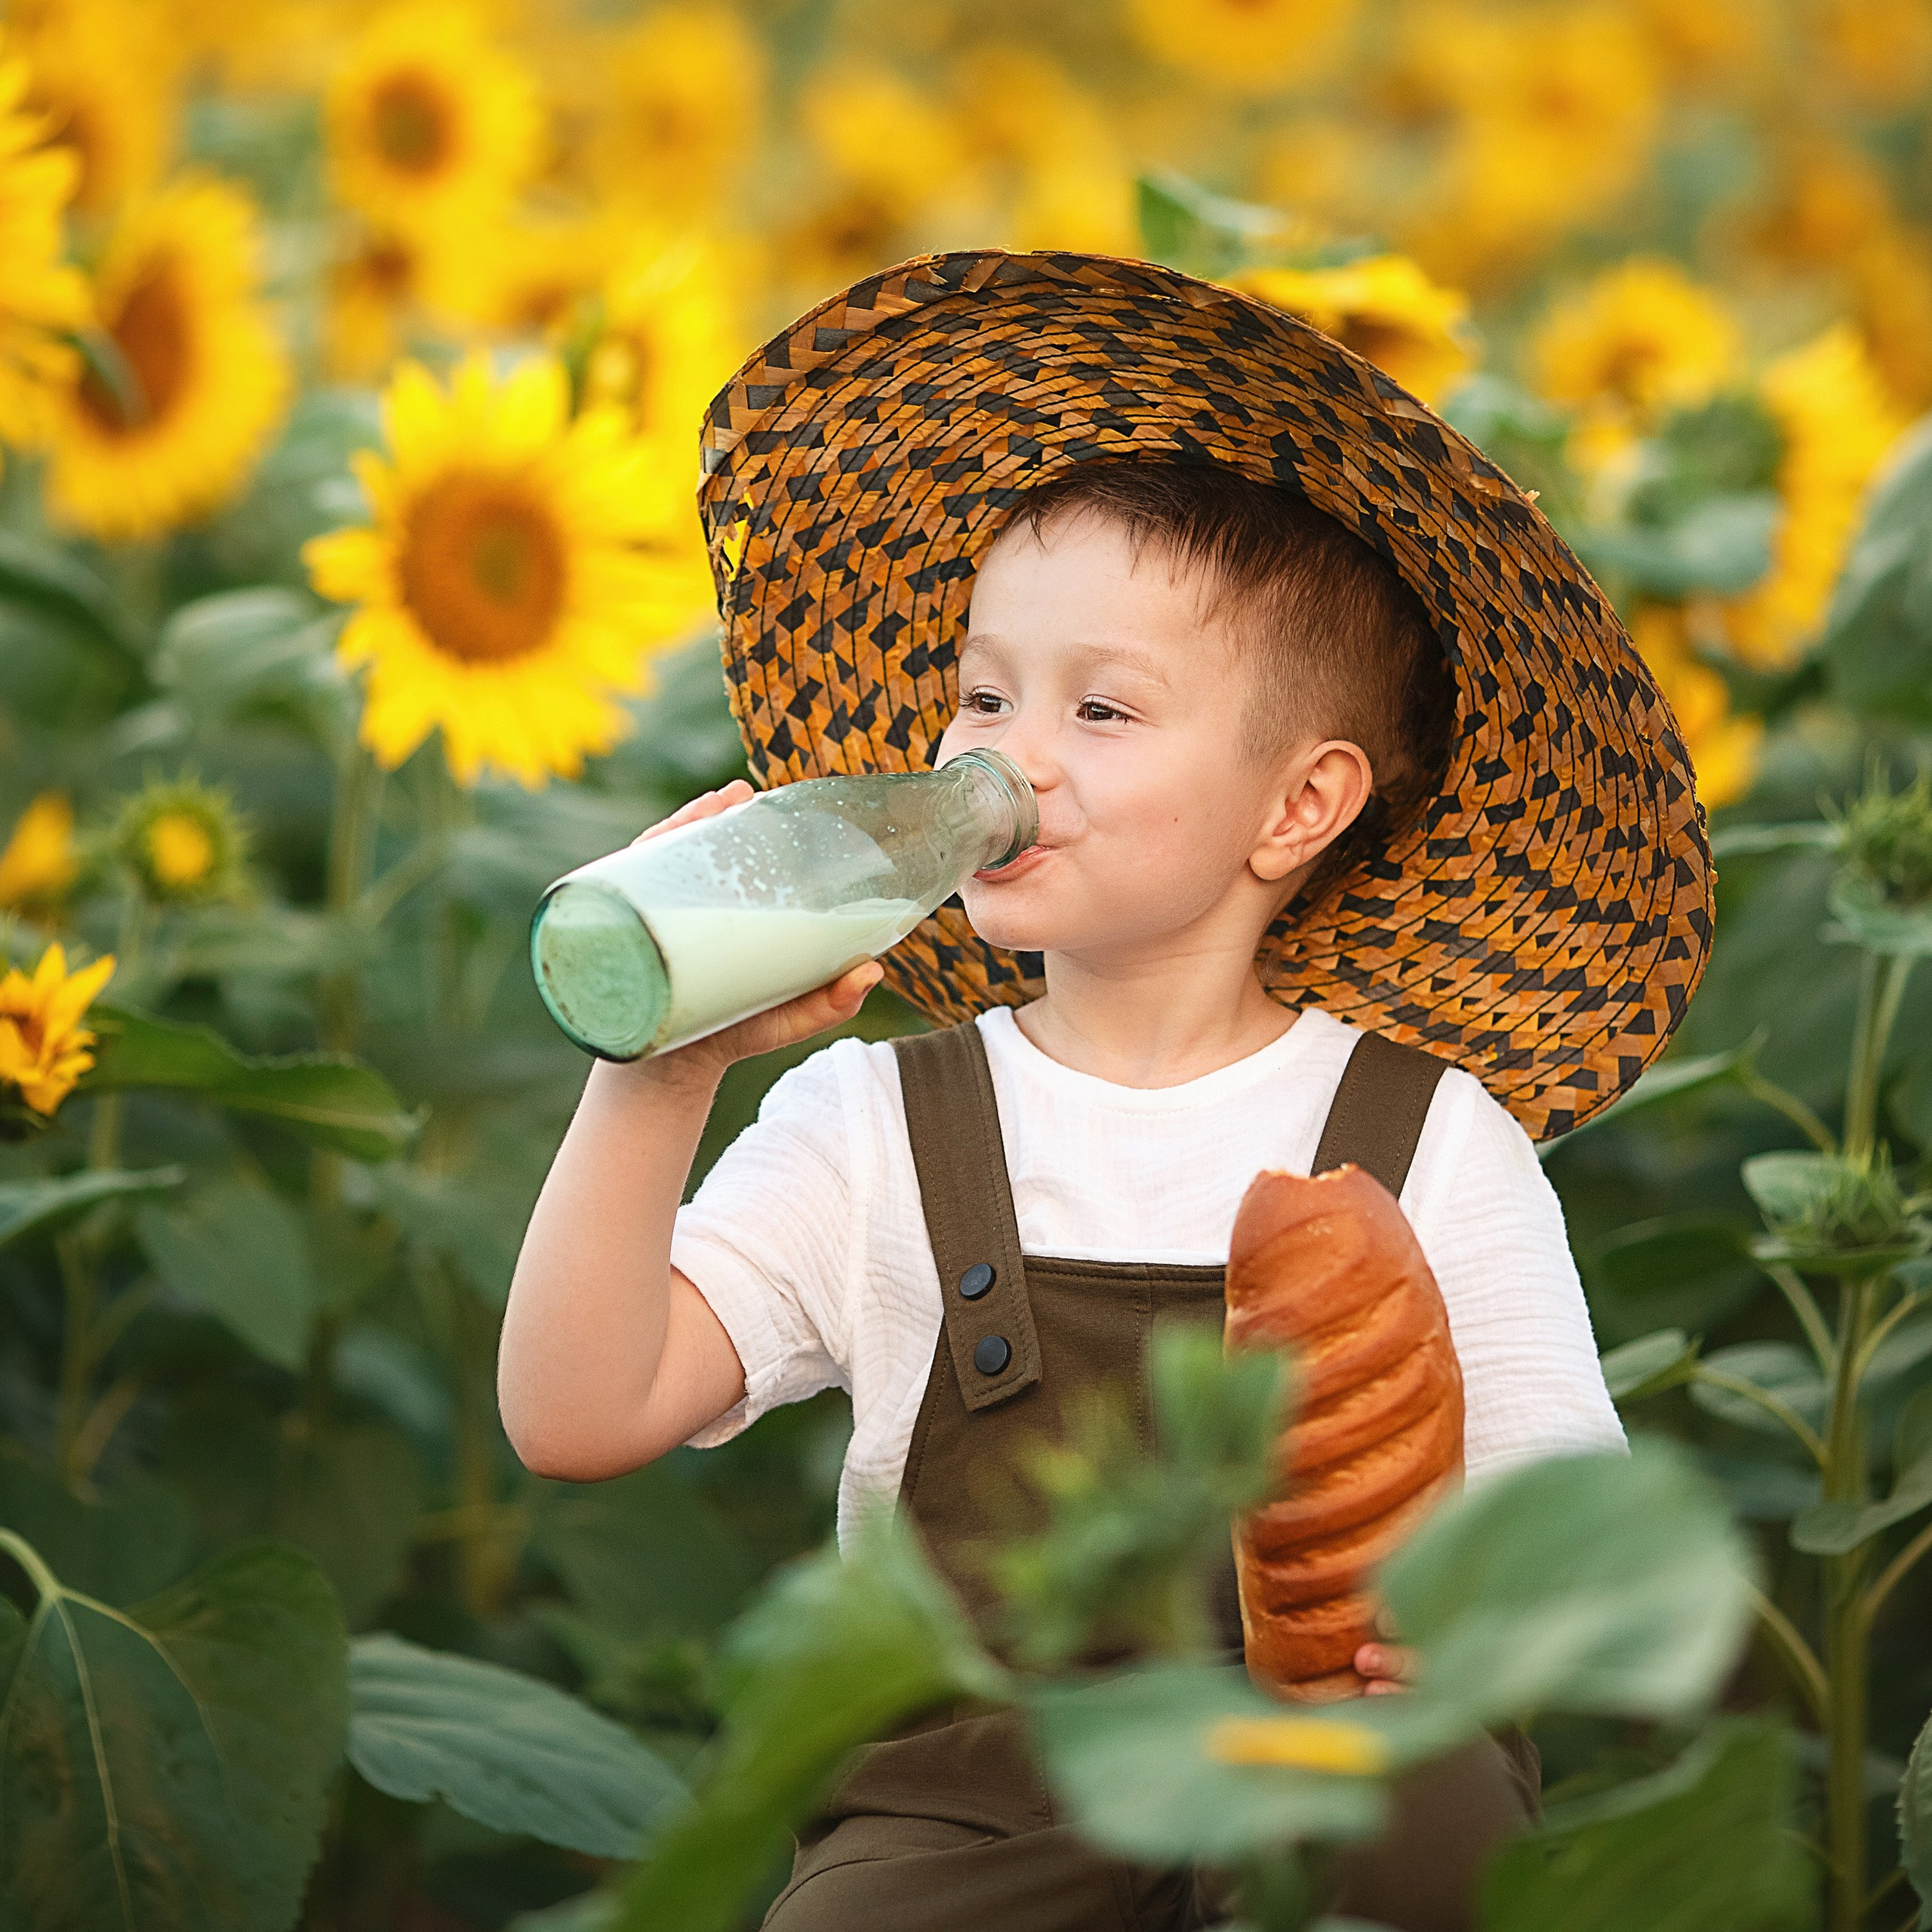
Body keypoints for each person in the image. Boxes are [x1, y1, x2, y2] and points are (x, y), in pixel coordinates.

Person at [500, 251, 1715, 1931]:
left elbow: (1570, 1523)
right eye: (983, 692)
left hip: (1329, 1762)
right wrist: (655, 1075)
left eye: (1101, 705)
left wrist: (1471, 1623)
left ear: (1296, 808)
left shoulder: (1427, 1137)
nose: (1011, 756)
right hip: (980, 1814)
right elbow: (577, 1412)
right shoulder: (878, 1125)